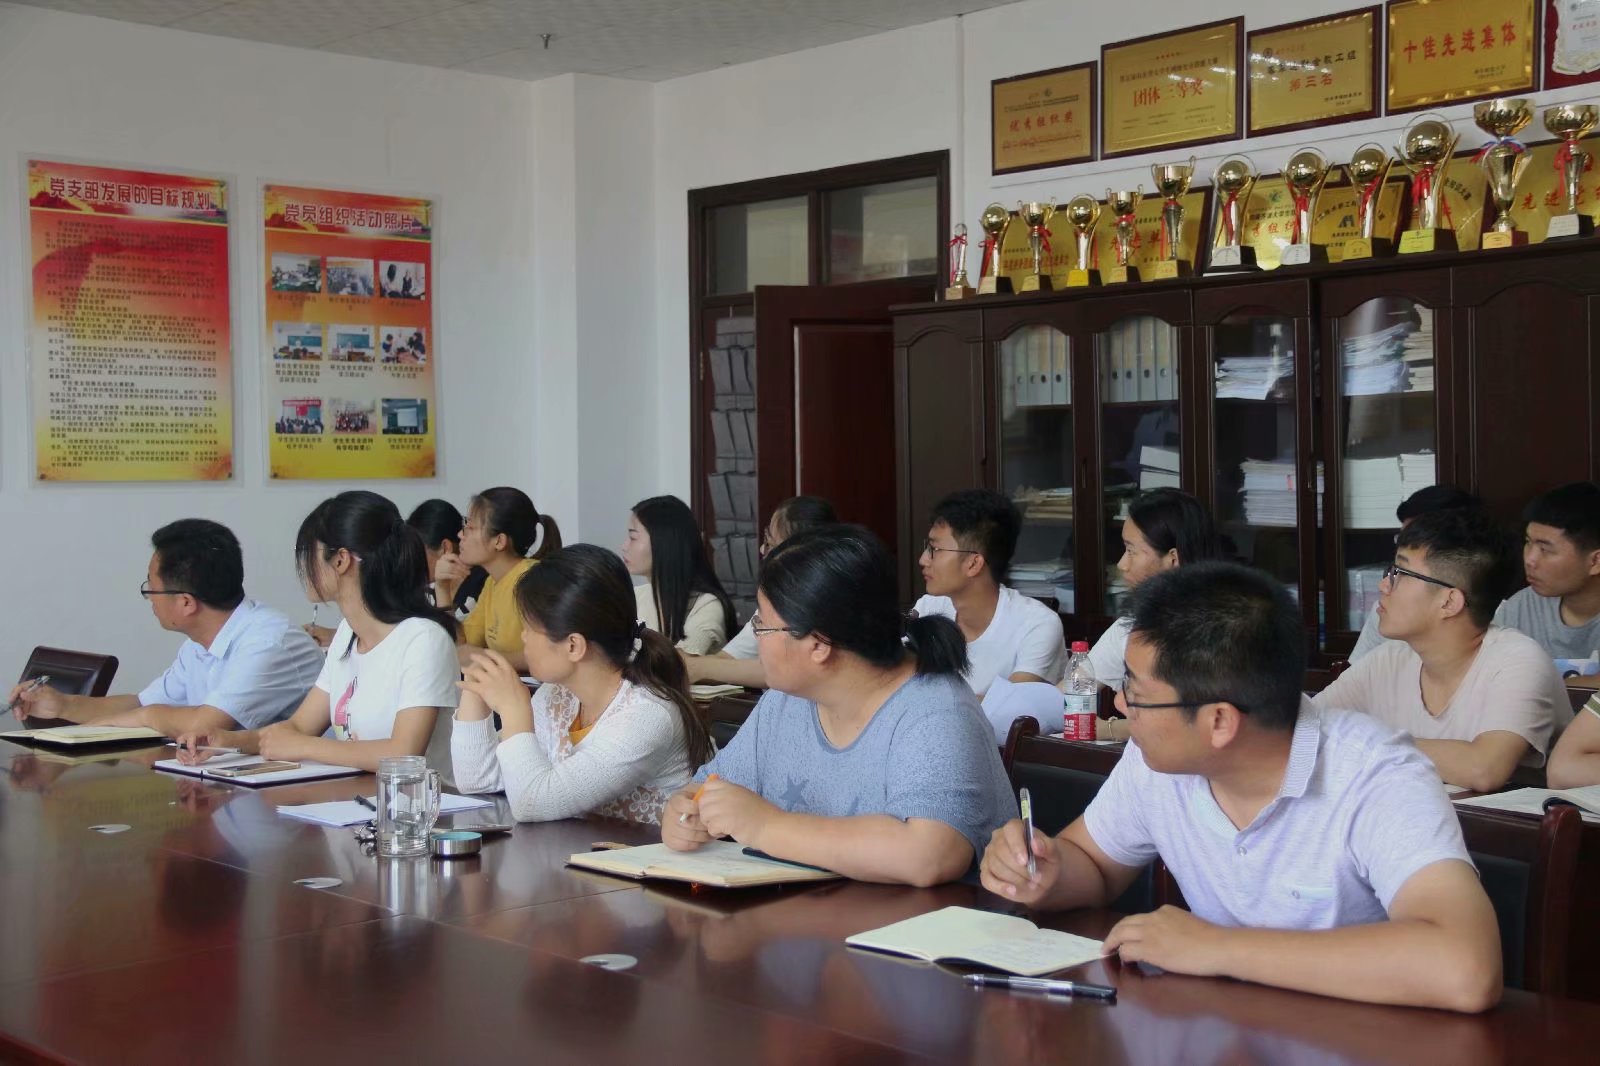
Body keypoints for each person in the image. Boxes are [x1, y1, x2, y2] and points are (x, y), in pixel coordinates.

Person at [979, 561, 1502, 1013]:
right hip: (1227, 1027)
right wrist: (1044, 871)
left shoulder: (1375, 774)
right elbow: (1092, 863)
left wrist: (1220, 948)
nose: (1118, 704)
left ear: (1220, 722)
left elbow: (1464, 967)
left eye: (1135, 692)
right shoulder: (1155, 761)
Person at [661, 525, 1016, 887]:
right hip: (808, 913)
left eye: (763, 627)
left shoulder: (936, 711)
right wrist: (685, 811)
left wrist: (766, 826)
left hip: (915, 922)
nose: (756, 638)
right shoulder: (787, 699)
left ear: (819, 645)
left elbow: (931, 855)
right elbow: (708, 787)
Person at [174, 491, 459, 773]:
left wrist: (306, 746)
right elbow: (298, 727)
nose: (303, 565)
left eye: (308, 553)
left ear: (341, 560)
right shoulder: (348, 633)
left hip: (424, 801)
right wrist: (229, 741)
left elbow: (404, 753)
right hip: (362, 795)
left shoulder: (423, 639)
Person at [452, 545, 710, 824]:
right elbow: (479, 780)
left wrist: (514, 712)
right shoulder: (558, 695)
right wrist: (476, 688)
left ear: (573, 645)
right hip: (581, 849)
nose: (523, 638)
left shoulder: (647, 715)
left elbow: (532, 803)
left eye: (529, 628)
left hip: (651, 852)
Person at [1315, 508, 1569, 792]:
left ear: (1449, 602)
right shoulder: (1389, 659)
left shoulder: (1518, 661)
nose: (1384, 585)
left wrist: (1370, 741)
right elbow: (1304, 727)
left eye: (1399, 573)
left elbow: (1483, 769)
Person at [7, 519, 322, 738]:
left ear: (186, 602)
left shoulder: (267, 643)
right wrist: (64, 705)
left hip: (295, 799)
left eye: (151, 588)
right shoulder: (199, 644)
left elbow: (205, 725)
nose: (149, 599)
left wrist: (148, 717)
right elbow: (141, 703)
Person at [911, 489, 1066, 696]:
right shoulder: (928, 608)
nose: (923, 560)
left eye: (935, 549)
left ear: (973, 563)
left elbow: (1009, 705)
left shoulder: (1037, 624)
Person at [684, 495, 836, 689]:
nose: (763, 549)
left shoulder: (825, 603)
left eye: (770, 543)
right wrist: (691, 666)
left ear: (800, 552)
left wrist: (695, 667)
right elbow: (728, 659)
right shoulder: (772, 604)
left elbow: (779, 669)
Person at [1085, 488, 1222, 689]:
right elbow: (1073, 689)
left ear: (1173, 559)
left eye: (1131, 551)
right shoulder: (1130, 626)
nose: (1122, 565)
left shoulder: (1227, 634)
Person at [1350, 485, 1483, 662]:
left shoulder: (1493, 626)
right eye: (1403, 537)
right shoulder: (1384, 611)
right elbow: (1354, 672)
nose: (1383, 586)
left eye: (1415, 539)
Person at [440, 487, 561, 672]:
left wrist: (486, 658)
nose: (460, 535)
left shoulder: (531, 579)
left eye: (470, 528)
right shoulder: (492, 582)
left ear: (499, 541)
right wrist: (442, 588)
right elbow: (461, 644)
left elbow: (552, 653)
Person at [1494, 482, 1600, 664]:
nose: (1529, 559)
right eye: (1528, 542)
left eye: (1545, 549)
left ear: (1596, 562)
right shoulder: (1520, 608)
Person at [623, 495, 736, 655]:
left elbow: (677, 665)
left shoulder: (707, 606)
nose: (624, 546)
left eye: (633, 537)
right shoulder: (635, 597)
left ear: (664, 543)